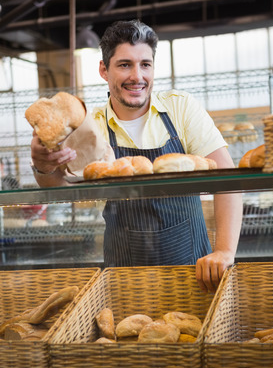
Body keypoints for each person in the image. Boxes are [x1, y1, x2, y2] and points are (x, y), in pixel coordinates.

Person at [31, 19, 243, 293]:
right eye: (124, 65)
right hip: (124, 278)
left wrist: (225, 251)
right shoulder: (89, 125)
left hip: (194, 272)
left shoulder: (181, 109)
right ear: (103, 70)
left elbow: (227, 181)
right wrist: (43, 166)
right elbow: (60, 189)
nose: (137, 76)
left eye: (145, 64)